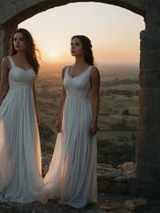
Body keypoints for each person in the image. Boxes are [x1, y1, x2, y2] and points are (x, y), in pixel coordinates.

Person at [0, 28, 44, 203]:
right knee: (12, 145)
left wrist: (35, 112)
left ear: (27, 42)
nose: (16, 42)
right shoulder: (7, 61)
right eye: (14, 39)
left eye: (20, 39)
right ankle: (10, 183)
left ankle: (25, 183)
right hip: (12, 106)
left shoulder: (32, 62)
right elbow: (2, 86)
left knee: (27, 144)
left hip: (27, 108)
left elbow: (32, 89)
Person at [43, 35, 100, 209]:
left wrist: (94, 122)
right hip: (68, 114)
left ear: (85, 48)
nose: (72, 47)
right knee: (67, 151)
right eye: (71, 44)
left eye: (76, 44)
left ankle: (78, 193)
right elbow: (64, 95)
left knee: (79, 152)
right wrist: (59, 117)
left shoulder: (92, 71)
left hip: (83, 114)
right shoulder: (65, 70)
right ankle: (66, 188)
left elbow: (95, 98)